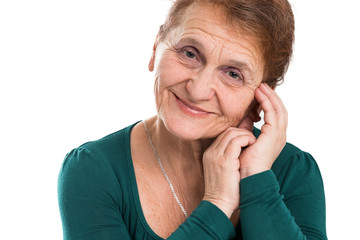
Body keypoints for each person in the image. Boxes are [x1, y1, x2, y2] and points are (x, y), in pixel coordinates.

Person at [57, 0, 327, 239]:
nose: (197, 90)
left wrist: (256, 179)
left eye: (233, 74)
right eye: (189, 53)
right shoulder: (94, 170)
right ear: (155, 49)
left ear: (260, 100)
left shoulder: (294, 170)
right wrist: (218, 204)